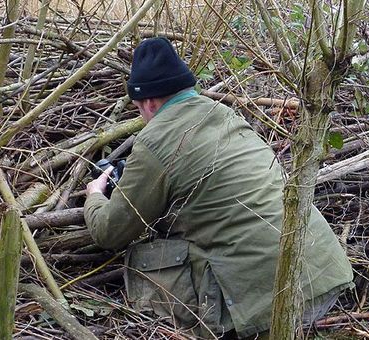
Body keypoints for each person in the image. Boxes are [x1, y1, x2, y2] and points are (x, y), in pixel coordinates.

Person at [84, 37, 354, 339]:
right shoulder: (224, 114)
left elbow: (109, 231)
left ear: (148, 102)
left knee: (141, 260)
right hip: (321, 274)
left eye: (139, 109)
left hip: (268, 306)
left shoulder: (154, 141)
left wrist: (95, 195)